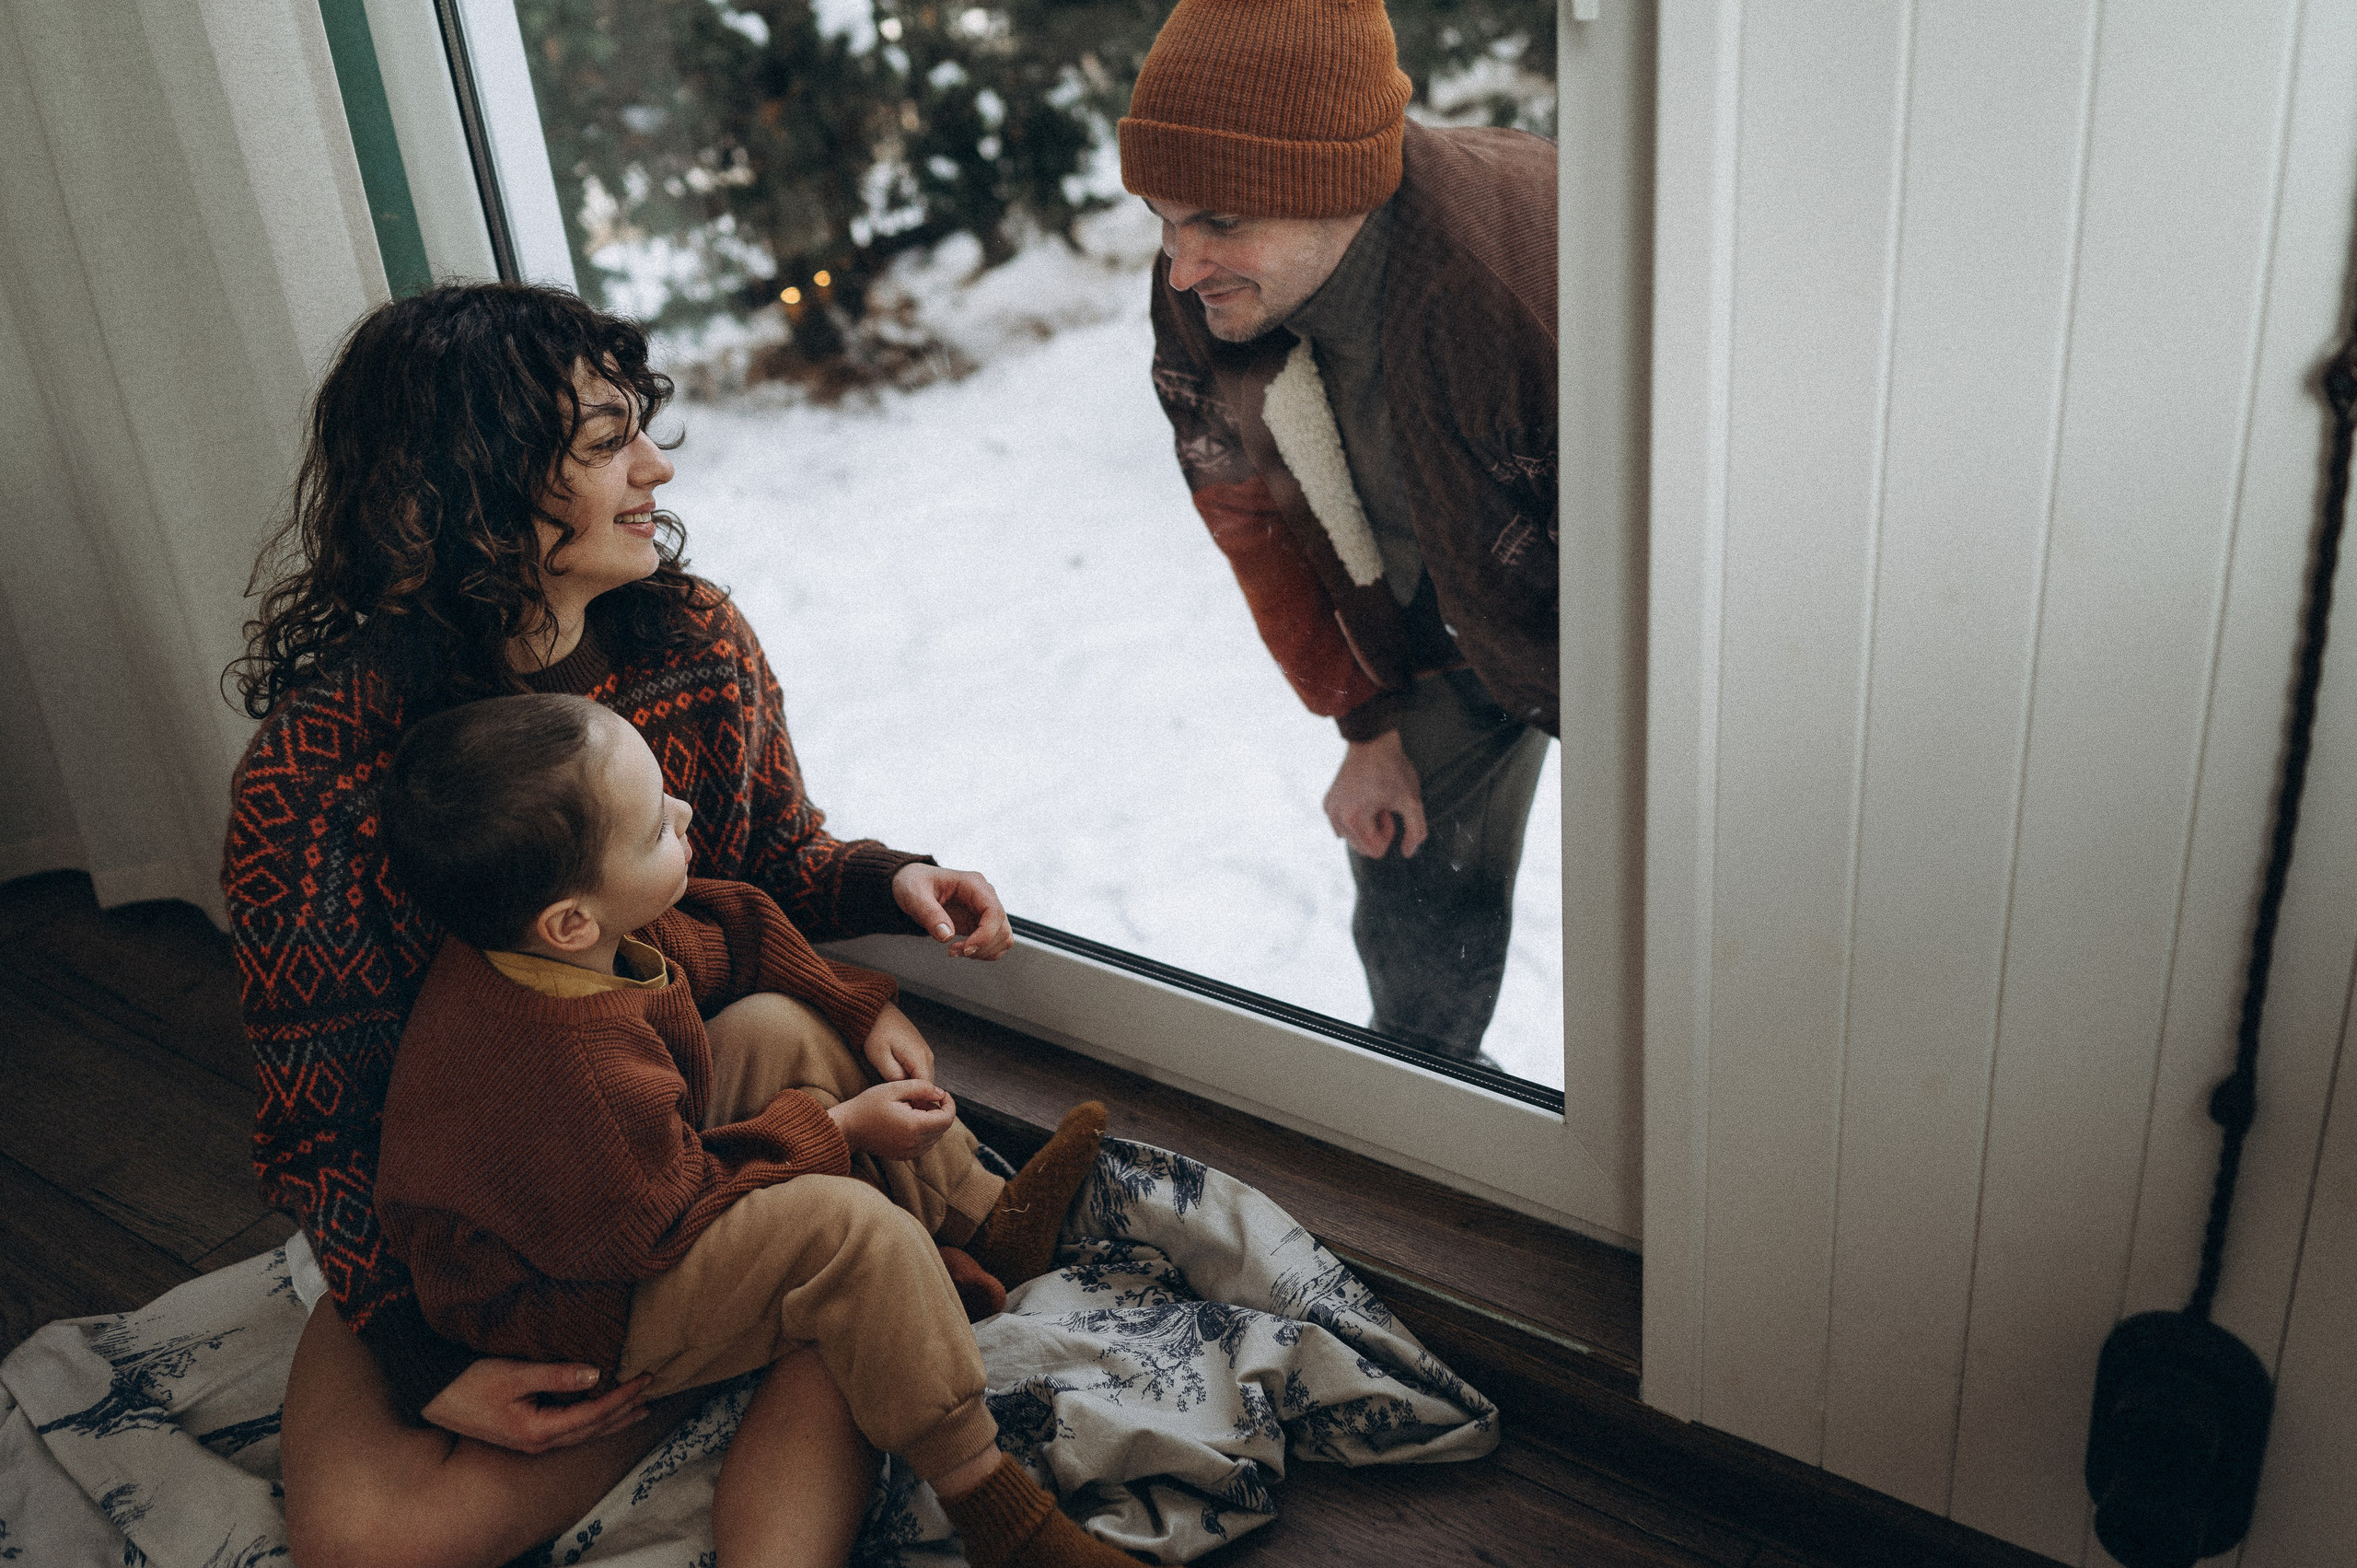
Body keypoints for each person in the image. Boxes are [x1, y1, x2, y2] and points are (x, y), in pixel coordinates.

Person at [221, 282, 1085, 1568]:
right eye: (604, 439)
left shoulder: (692, 636)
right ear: (465, 489)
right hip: (490, 1204)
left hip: (679, 1113)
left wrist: (885, 883)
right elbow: (322, 1125)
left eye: (642, 426)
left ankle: (817, 1286)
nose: (657, 465)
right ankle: (809, 1298)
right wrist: (431, 1356)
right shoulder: (321, 775)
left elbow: (767, 862)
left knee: (787, 1028)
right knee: (365, 1546)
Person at [373, 691, 1121, 1568]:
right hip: (581, 1298)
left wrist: (851, 1004)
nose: (684, 814)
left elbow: (734, 932)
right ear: (572, 920)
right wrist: (838, 1125)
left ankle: (983, 1223)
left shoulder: (565, 940)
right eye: (657, 825)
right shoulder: (570, 1070)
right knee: (851, 1233)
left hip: (625, 1193)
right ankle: (996, 1508)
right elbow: (663, 1217)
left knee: (775, 1024)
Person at [1120, 0, 1558, 1064]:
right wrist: (1365, 724)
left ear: (1336, 187)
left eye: (1218, 221)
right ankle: (1435, 1103)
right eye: (1161, 219)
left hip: (1615, 628)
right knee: (1409, 895)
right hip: (1436, 633)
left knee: (1685, 931)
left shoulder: (1522, 278)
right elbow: (1249, 516)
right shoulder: (1204, 294)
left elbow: (1681, 554)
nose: (1180, 267)